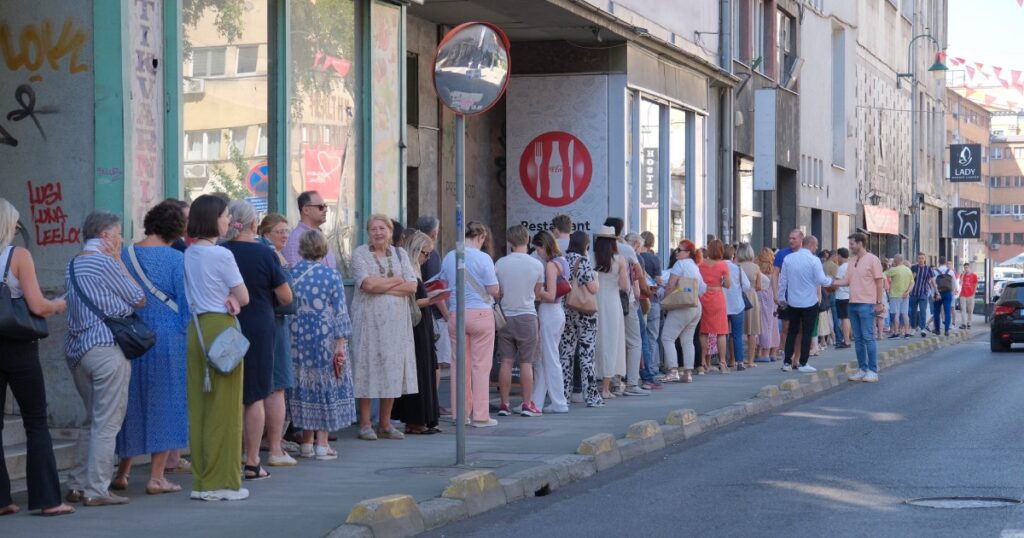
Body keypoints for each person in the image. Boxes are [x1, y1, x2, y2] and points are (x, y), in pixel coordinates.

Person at [64, 212, 145, 507]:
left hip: (77, 351)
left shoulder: (73, 263)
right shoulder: (105, 261)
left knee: (90, 420)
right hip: (106, 348)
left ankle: (77, 484)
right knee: (107, 423)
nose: (121, 239)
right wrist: (120, 262)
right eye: (119, 233)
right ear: (106, 235)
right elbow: (138, 297)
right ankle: (97, 489)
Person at [0, 198, 74, 516]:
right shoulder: (18, 256)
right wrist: (59, 304)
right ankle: (47, 499)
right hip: (18, 346)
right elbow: (37, 305)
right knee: (35, 421)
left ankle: (3, 500)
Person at [112, 201, 191, 496]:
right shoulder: (175, 260)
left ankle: (123, 472)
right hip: (168, 338)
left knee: (130, 403)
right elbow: (186, 305)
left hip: (131, 336)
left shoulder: (125, 254)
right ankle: (156, 477)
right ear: (175, 228)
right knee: (167, 403)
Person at [182, 195, 250, 502]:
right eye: (224, 216)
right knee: (226, 408)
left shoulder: (189, 253)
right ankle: (221, 483)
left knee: (201, 407)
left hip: (196, 330)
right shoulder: (222, 255)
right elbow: (243, 296)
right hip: (221, 330)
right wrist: (235, 300)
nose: (228, 221)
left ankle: (201, 480)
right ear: (213, 219)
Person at [223, 201, 293, 481]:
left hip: (225, 325)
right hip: (260, 327)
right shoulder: (265, 255)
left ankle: (229, 457)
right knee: (256, 396)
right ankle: (252, 461)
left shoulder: (220, 252)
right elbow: (287, 297)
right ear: (254, 225)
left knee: (228, 393)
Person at [287, 230, 356, 457]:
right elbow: (339, 312)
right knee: (325, 386)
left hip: (297, 338)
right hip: (324, 337)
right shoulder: (331, 275)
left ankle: (306, 442)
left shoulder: (291, 272)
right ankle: (322, 444)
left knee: (304, 387)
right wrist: (340, 343)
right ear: (323, 249)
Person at [351, 215, 419, 438]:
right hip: (368, 321)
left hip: (396, 324)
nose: (378, 233)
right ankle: (365, 424)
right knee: (368, 366)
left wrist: (383, 286)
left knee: (391, 367)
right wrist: (395, 281)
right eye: (373, 229)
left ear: (390, 232)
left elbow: (412, 286)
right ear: (367, 233)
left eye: (382, 228)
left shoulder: (401, 254)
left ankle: (386, 423)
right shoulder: (360, 253)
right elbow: (367, 284)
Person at [440, 221, 500, 427]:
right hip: (481, 314)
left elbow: (443, 286)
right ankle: (481, 416)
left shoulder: (449, 256)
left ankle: (460, 414)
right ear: (481, 237)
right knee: (481, 366)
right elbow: (492, 289)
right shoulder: (484, 258)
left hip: (456, 314)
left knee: (458, 366)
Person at [254, 213, 298, 466]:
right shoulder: (271, 255)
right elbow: (287, 298)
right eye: (280, 231)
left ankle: (253, 448)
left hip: (260, 323)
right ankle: (275, 447)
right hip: (274, 323)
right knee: (276, 385)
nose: (285, 235)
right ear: (265, 232)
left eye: (286, 231)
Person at [391, 230, 444, 434]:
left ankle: (420, 420)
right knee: (419, 371)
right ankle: (416, 420)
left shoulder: (415, 267)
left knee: (425, 369)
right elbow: (412, 301)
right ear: (415, 250)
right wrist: (432, 299)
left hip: (422, 324)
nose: (427, 258)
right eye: (425, 253)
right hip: (416, 325)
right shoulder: (408, 269)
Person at [493, 225, 543, 417]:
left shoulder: (500, 264)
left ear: (509, 242)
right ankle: (527, 403)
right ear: (527, 239)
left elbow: (498, 292)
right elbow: (537, 294)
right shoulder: (537, 265)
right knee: (526, 363)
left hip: (506, 316)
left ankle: (504, 404)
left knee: (505, 362)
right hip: (527, 316)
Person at [831, 233, 885, 382]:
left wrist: (879, 302)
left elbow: (879, 281)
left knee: (868, 337)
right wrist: (831, 282)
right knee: (859, 339)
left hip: (867, 303)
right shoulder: (852, 261)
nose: (850, 247)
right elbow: (847, 281)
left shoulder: (873, 259)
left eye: (852, 244)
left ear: (860, 243)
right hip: (852, 303)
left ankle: (873, 371)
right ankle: (862, 369)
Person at [604, 218, 647, 395]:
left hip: (605, 299)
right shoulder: (626, 249)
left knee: (613, 341)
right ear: (620, 231)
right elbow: (639, 272)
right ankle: (632, 383)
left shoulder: (598, 248)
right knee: (634, 341)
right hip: (625, 300)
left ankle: (613, 382)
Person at [559, 230, 602, 406]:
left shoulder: (563, 260)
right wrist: (596, 278)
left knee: (566, 354)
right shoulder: (583, 262)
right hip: (585, 313)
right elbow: (592, 288)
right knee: (587, 354)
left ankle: (563, 395)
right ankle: (591, 396)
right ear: (585, 245)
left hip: (567, 311)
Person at [778, 235, 832, 373]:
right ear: (812, 245)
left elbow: (782, 281)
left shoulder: (788, 259)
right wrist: (831, 281)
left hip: (793, 301)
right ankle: (803, 363)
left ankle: (786, 363)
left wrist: (781, 298)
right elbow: (821, 279)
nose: (817, 248)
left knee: (792, 332)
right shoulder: (814, 260)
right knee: (807, 332)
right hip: (809, 301)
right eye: (817, 245)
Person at [532, 231, 570, 413]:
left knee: (550, 358)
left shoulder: (550, 266)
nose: (537, 252)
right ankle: (537, 401)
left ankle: (559, 402)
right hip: (558, 312)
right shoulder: (562, 261)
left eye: (538, 247)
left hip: (549, 312)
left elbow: (550, 295)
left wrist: (535, 291)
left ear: (544, 246)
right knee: (547, 358)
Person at [660, 240, 706, 383]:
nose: (676, 252)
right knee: (687, 339)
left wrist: (666, 301)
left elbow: (670, 285)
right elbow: (703, 289)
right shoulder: (694, 266)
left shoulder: (679, 264)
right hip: (695, 305)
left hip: (683, 305)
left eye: (679, 250)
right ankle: (687, 372)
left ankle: (673, 370)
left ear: (687, 253)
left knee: (667, 337)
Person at [415, 216, 451, 402]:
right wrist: (446, 316)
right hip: (432, 313)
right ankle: (432, 403)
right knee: (434, 362)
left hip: (417, 311)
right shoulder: (432, 253)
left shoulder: (411, 250)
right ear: (435, 233)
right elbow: (435, 288)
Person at [593, 225, 629, 398]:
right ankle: (606, 388)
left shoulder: (592, 257)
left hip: (593, 302)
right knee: (611, 343)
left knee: (595, 342)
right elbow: (625, 286)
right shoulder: (619, 260)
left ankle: (592, 384)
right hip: (613, 303)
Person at [698, 239, 731, 374]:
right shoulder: (723, 265)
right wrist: (720, 282)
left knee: (704, 331)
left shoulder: (701, 264)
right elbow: (728, 284)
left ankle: (703, 362)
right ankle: (722, 363)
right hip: (717, 296)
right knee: (721, 331)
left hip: (704, 296)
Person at [283, 190, 337, 269]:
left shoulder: (321, 235)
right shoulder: (295, 239)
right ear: (306, 210)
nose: (326, 209)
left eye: (325, 206)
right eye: (321, 207)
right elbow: (294, 275)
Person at [773, 229, 805, 360]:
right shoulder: (782, 254)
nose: (791, 241)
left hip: (802, 296)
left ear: (801, 239)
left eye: (794, 238)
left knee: (800, 328)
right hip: (786, 297)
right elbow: (775, 274)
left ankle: (796, 358)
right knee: (786, 327)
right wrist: (775, 293)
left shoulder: (806, 254)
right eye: (790, 238)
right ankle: (788, 354)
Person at [637, 231, 663, 378]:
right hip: (652, 300)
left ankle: (640, 367)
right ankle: (652, 367)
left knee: (639, 338)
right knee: (652, 337)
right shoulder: (654, 259)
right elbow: (659, 280)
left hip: (638, 300)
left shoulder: (638, 258)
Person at [737, 243, 762, 369]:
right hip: (751, 297)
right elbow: (759, 286)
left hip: (738, 296)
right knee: (752, 331)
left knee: (735, 331)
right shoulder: (756, 267)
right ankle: (750, 360)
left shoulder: (736, 266)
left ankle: (733, 359)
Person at [754, 247, 779, 362]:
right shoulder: (775, 269)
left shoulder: (758, 268)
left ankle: (765, 353)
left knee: (764, 324)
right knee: (773, 324)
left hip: (762, 295)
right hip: (774, 296)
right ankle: (773, 352)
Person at [884, 254, 913, 340]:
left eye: (894, 260)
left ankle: (896, 333)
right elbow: (912, 283)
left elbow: (883, 275)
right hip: (905, 295)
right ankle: (907, 332)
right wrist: (907, 292)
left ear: (896, 260)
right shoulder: (908, 270)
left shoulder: (894, 270)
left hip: (895, 295)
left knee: (895, 314)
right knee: (905, 314)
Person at [909, 253, 935, 337]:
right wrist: (913, 277)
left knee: (923, 311)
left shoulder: (928, 269)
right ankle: (913, 328)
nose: (920, 260)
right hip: (913, 292)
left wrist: (936, 291)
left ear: (925, 259)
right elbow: (909, 279)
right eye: (919, 258)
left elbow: (932, 281)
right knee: (913, 311)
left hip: (923, 292)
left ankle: (922, 329)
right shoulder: (913, 268)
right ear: (917, 259)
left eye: (922, 258)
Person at [834, 248, 853, 348]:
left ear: (840, 256)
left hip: (842, 296)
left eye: (837, 256)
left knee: (844, 319)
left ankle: (846, 340)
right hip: (850, 295)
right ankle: (848, 338)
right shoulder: (851, 266)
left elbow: (836, 284)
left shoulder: (841, 268)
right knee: (847, 318)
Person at [933, 256, 956, 336]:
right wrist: (952, 292)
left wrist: (934, 293)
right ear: (946, 262)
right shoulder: (950, 271)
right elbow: (954, 284)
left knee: (936, 311)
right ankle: (946, 330)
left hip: (938, 293)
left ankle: (937, 329)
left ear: (938, 262)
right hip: (948, 293)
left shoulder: (935, 271)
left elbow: (933, 283)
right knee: (947, 312)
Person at [959, 263, 978, 329]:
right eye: (965, 267)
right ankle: (963, 323)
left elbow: (976, 285)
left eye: (967, 267)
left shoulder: (974, 275)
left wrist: (974, 293)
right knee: (963, 310)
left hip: (971, 295)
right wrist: (962, 275)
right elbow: (960, 283)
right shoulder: (962, 275)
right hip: (963, 295)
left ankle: (969, 323)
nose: (966, 269)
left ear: (969, 268)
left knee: (970, 310)